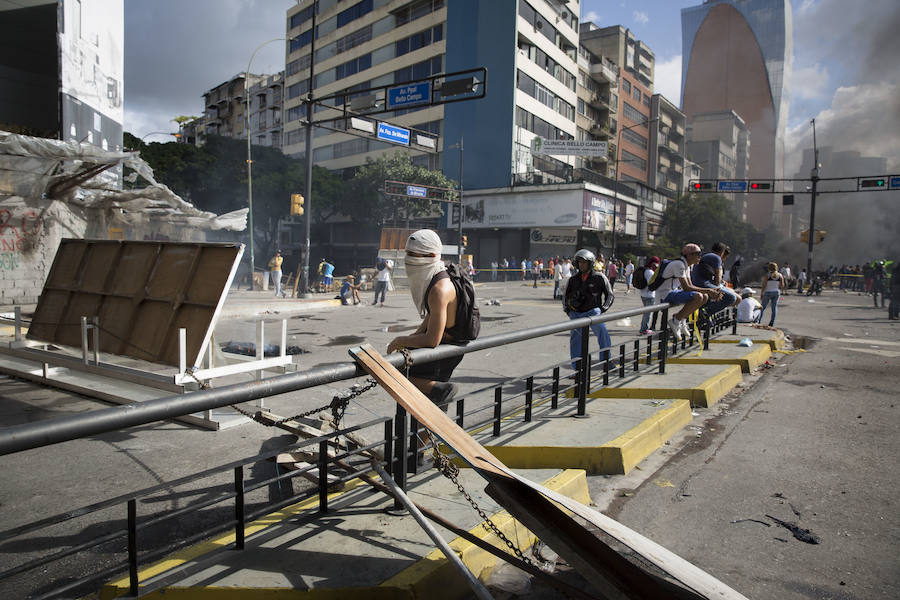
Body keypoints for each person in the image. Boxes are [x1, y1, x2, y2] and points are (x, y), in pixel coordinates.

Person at [387, 229, 464, 407]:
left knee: (392, 373)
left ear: (430, 255)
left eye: (412, 255)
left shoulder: (439, 289)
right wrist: (410, 339)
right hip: (444, 350)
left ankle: (439, 389)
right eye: (407, 253)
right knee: (426, 411)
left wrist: (400, 339)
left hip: (442, 353)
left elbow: (432, 340)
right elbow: (432, 316)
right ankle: (437, 392)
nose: (408, 259)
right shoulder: (436, 276)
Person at [563, 249, 614, 371]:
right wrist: (568, 311)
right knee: (575, 341)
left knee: (603, 333)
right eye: (579, 262)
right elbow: (565, 297)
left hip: (593, 312)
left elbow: (610, 295)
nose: (581, 264)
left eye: (584, 262)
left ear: (590, 263)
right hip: (576, 313)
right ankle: (577, 368)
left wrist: (602, 309)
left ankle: (607, 361)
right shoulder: (573, 279)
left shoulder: (600, 277)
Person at [656, 244, 716, 341]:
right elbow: (687, 287)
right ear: (689, 255)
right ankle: (676, 321)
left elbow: (690, 286)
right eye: (698, 254)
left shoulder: (687, 266)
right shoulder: (679, 265)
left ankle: (681, 319)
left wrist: (708, 292)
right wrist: (709, 290)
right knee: (699, 297)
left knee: (704, 296)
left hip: (673, 292)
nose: (700, 257)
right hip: (665, 294)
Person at [691, 242, 739, 323]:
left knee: (713, 297)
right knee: (731, 298)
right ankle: (704, 313)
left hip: (696, 283)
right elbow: (717, 281)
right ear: (722, 252)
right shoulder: (716, 258)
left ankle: (704, 315)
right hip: (704, 284)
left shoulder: (705, 255)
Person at [756, 262, 785, 326]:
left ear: (769, 268)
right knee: (774, 308)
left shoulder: (768, 275)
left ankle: (758, 320)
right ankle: (772, 322)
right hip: (776, 292)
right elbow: (782, 285)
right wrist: (779, 289)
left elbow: (764, 285)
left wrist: (762, 293)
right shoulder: (780, 275)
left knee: (762, 307)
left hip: (767, 292)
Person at [638, 256, 660, 334]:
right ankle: (644, 329)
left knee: (646, 312)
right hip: (649, 295)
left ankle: (643, 328)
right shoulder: (650, 272)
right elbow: (651, 284)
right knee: (648, 314)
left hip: (643, 294)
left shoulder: (644, 270)